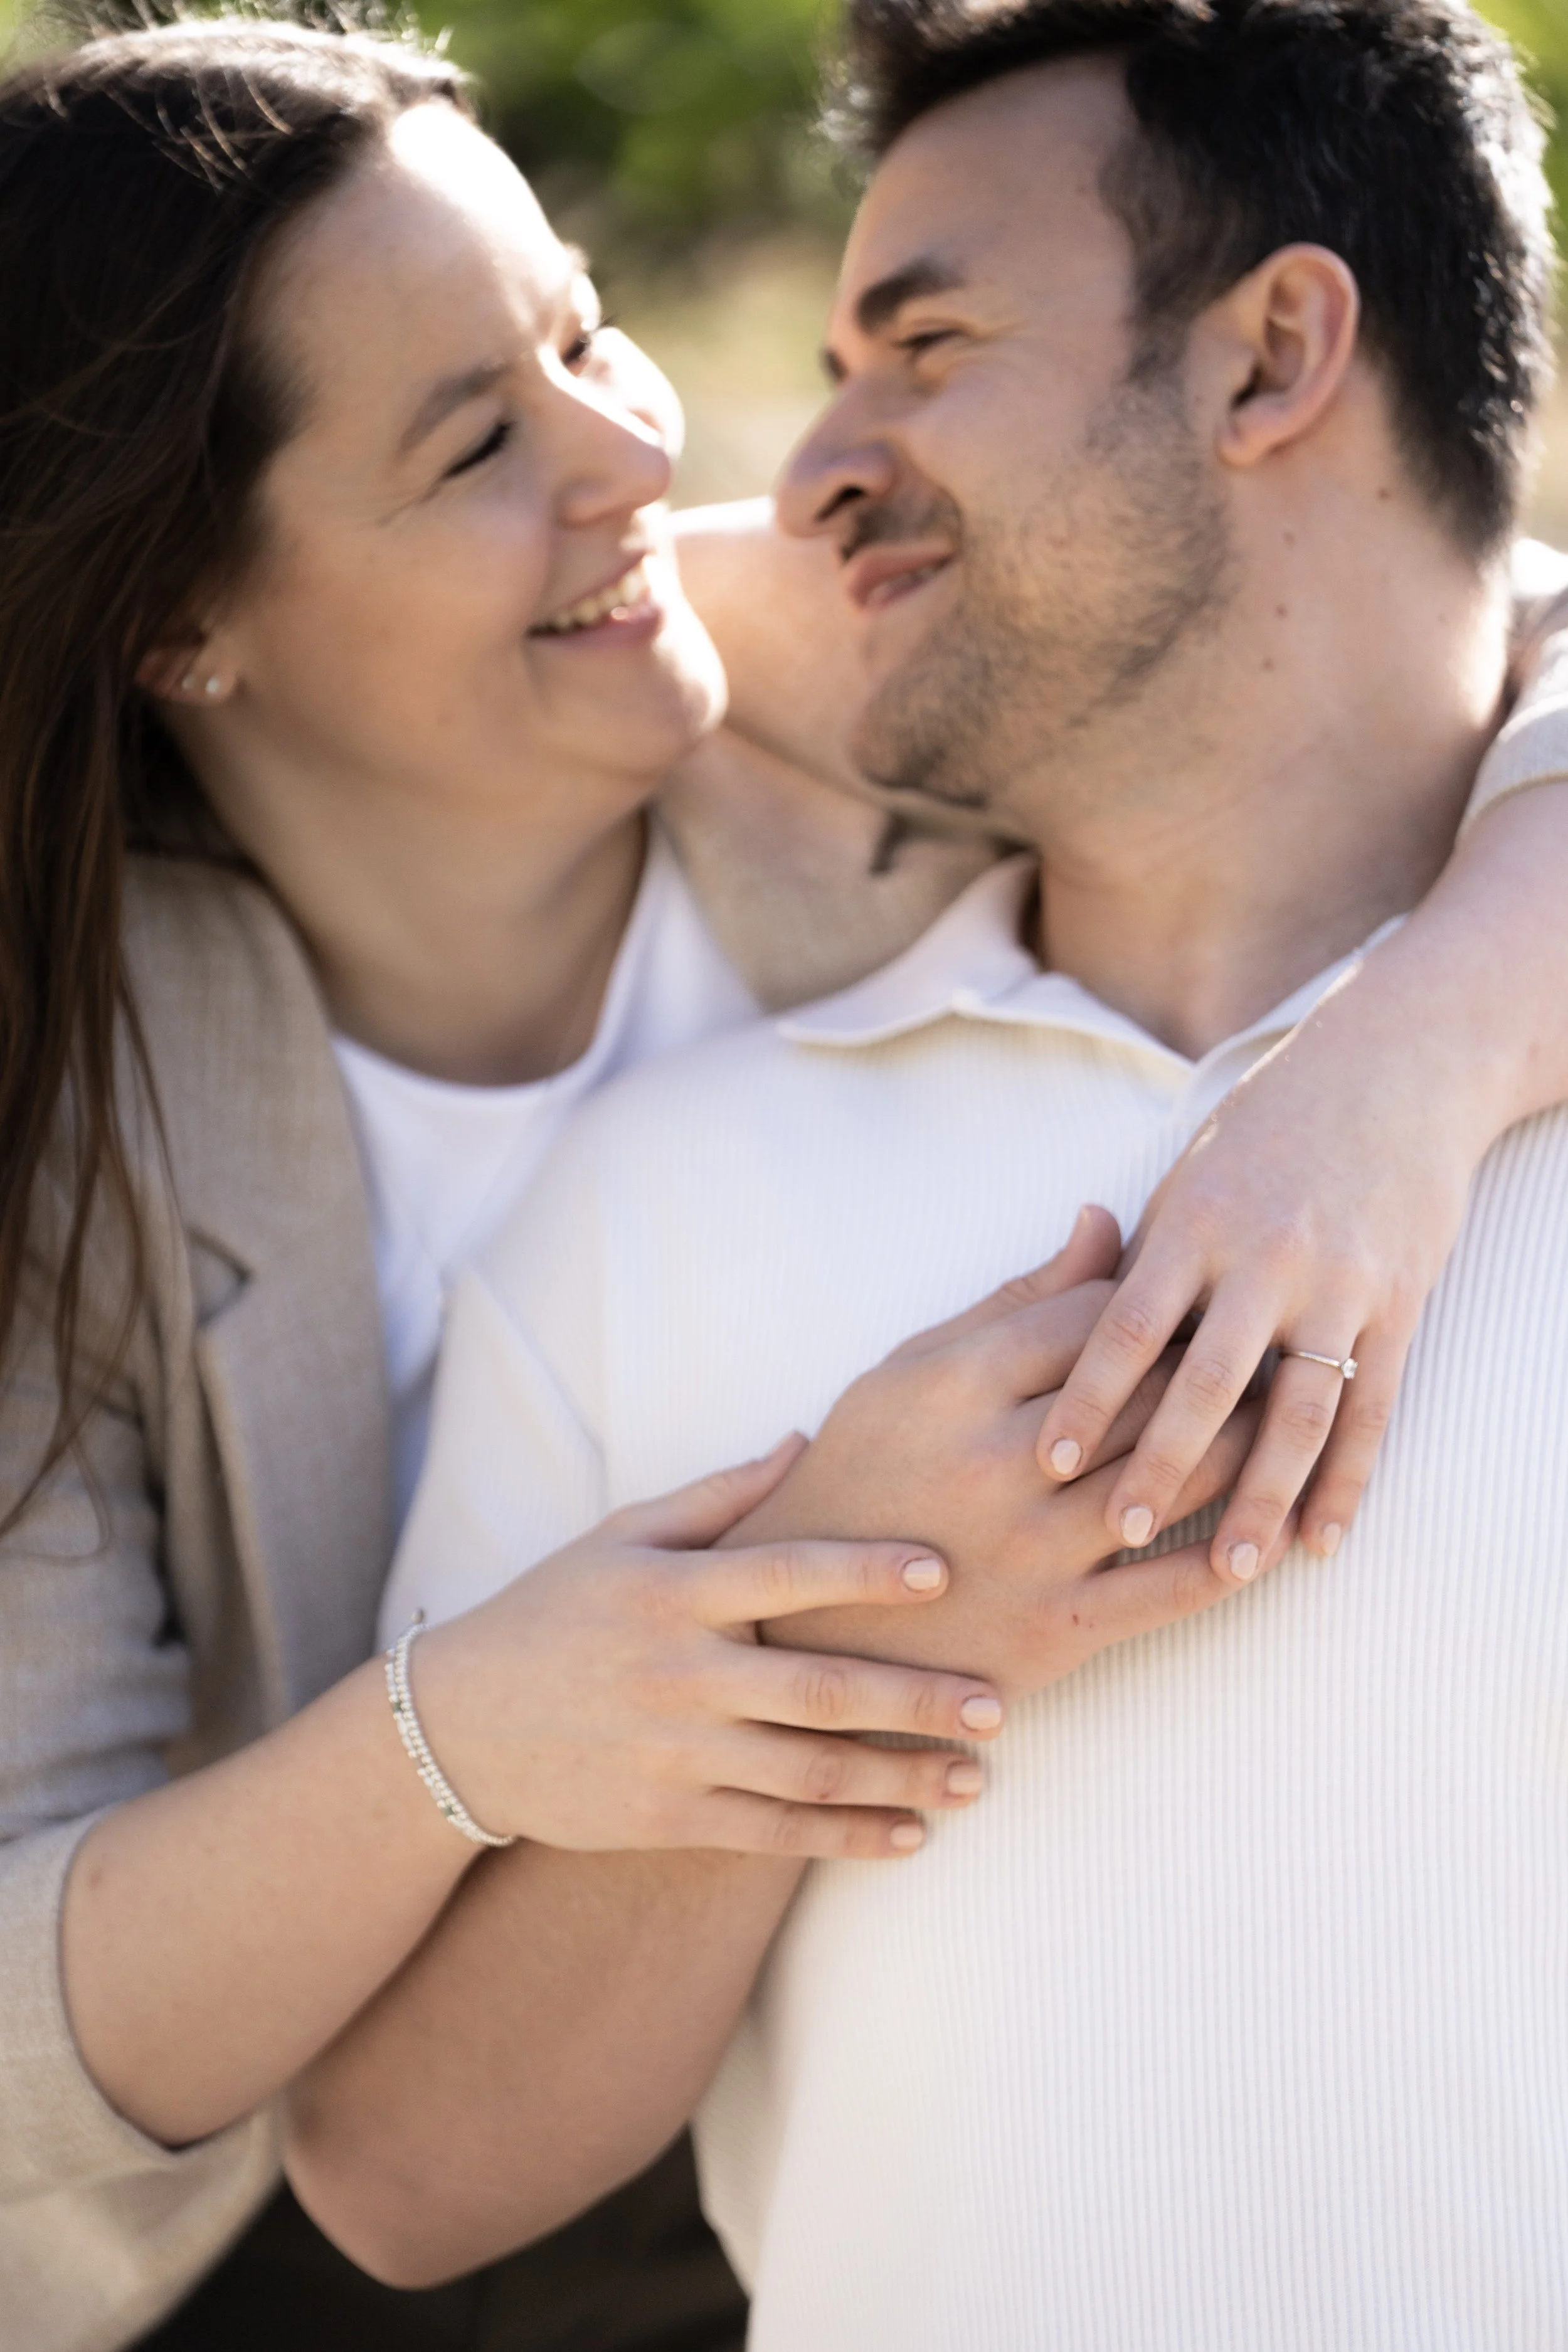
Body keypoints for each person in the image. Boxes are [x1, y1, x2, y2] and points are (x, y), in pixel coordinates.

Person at [283, 2, 1568, 2345]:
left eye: (926, 346)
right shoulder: (642, 1206)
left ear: (1274, 349)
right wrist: (858, 1626)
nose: (804, 475)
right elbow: (398, 2171)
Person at [0, 21, 1027, 2350]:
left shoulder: (856, 680)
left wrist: (1399, 1068)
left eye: (582, 331)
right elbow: (20, 2019)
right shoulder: (64, 1119)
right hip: (278, 2236)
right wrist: (459, 1738)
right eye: (480, 440)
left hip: (890, 2084)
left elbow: (1472, 643)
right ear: (184, 623)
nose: (637, 454)